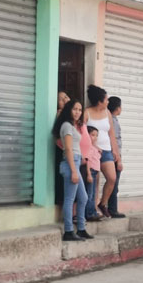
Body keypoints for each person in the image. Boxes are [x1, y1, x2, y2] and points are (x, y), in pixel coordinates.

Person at [52, 99, 93, 242]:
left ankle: (81, 228)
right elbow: (68, 149)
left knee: (83, 197)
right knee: (69, 199)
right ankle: (68, 231)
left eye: (80, 110)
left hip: (75, 162)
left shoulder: (73, 126)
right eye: (75, 109)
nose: (78, 112)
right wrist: (74, 171)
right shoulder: (66, 126)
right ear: (69, 110)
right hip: (71, 164)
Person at [85, 85, 122, 219]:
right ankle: (90, 211)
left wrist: (115, 152)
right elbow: (83, 133)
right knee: (92, 182)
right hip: (92, 152)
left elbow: (111, 133)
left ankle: (103, 203)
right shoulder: (87, 113)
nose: (108, 102)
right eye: (106, 99)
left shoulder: (107, 113)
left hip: (106, 150)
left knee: (112, 178)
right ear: (99, 101)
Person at [106, 96, 126, 219]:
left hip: (112, 154)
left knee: (113, 183)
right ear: (118, 108)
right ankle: (112, 209)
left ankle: (111, 208)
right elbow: (115, 141)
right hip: (114, 155)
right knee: (114, 183)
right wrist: (119, 160)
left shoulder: (111, 120)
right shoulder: (112, 121)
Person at [83, 125, 102, 222]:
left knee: (93, 193)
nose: (95, 137)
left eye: (96, 135)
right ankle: (89, 214)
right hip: (91, 171)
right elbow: (88, 161)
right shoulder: (89, 148)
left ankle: (93, 212)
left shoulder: (93, 147)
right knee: (89, 194)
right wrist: (89, 174)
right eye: (93, 135)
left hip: (95, 172)